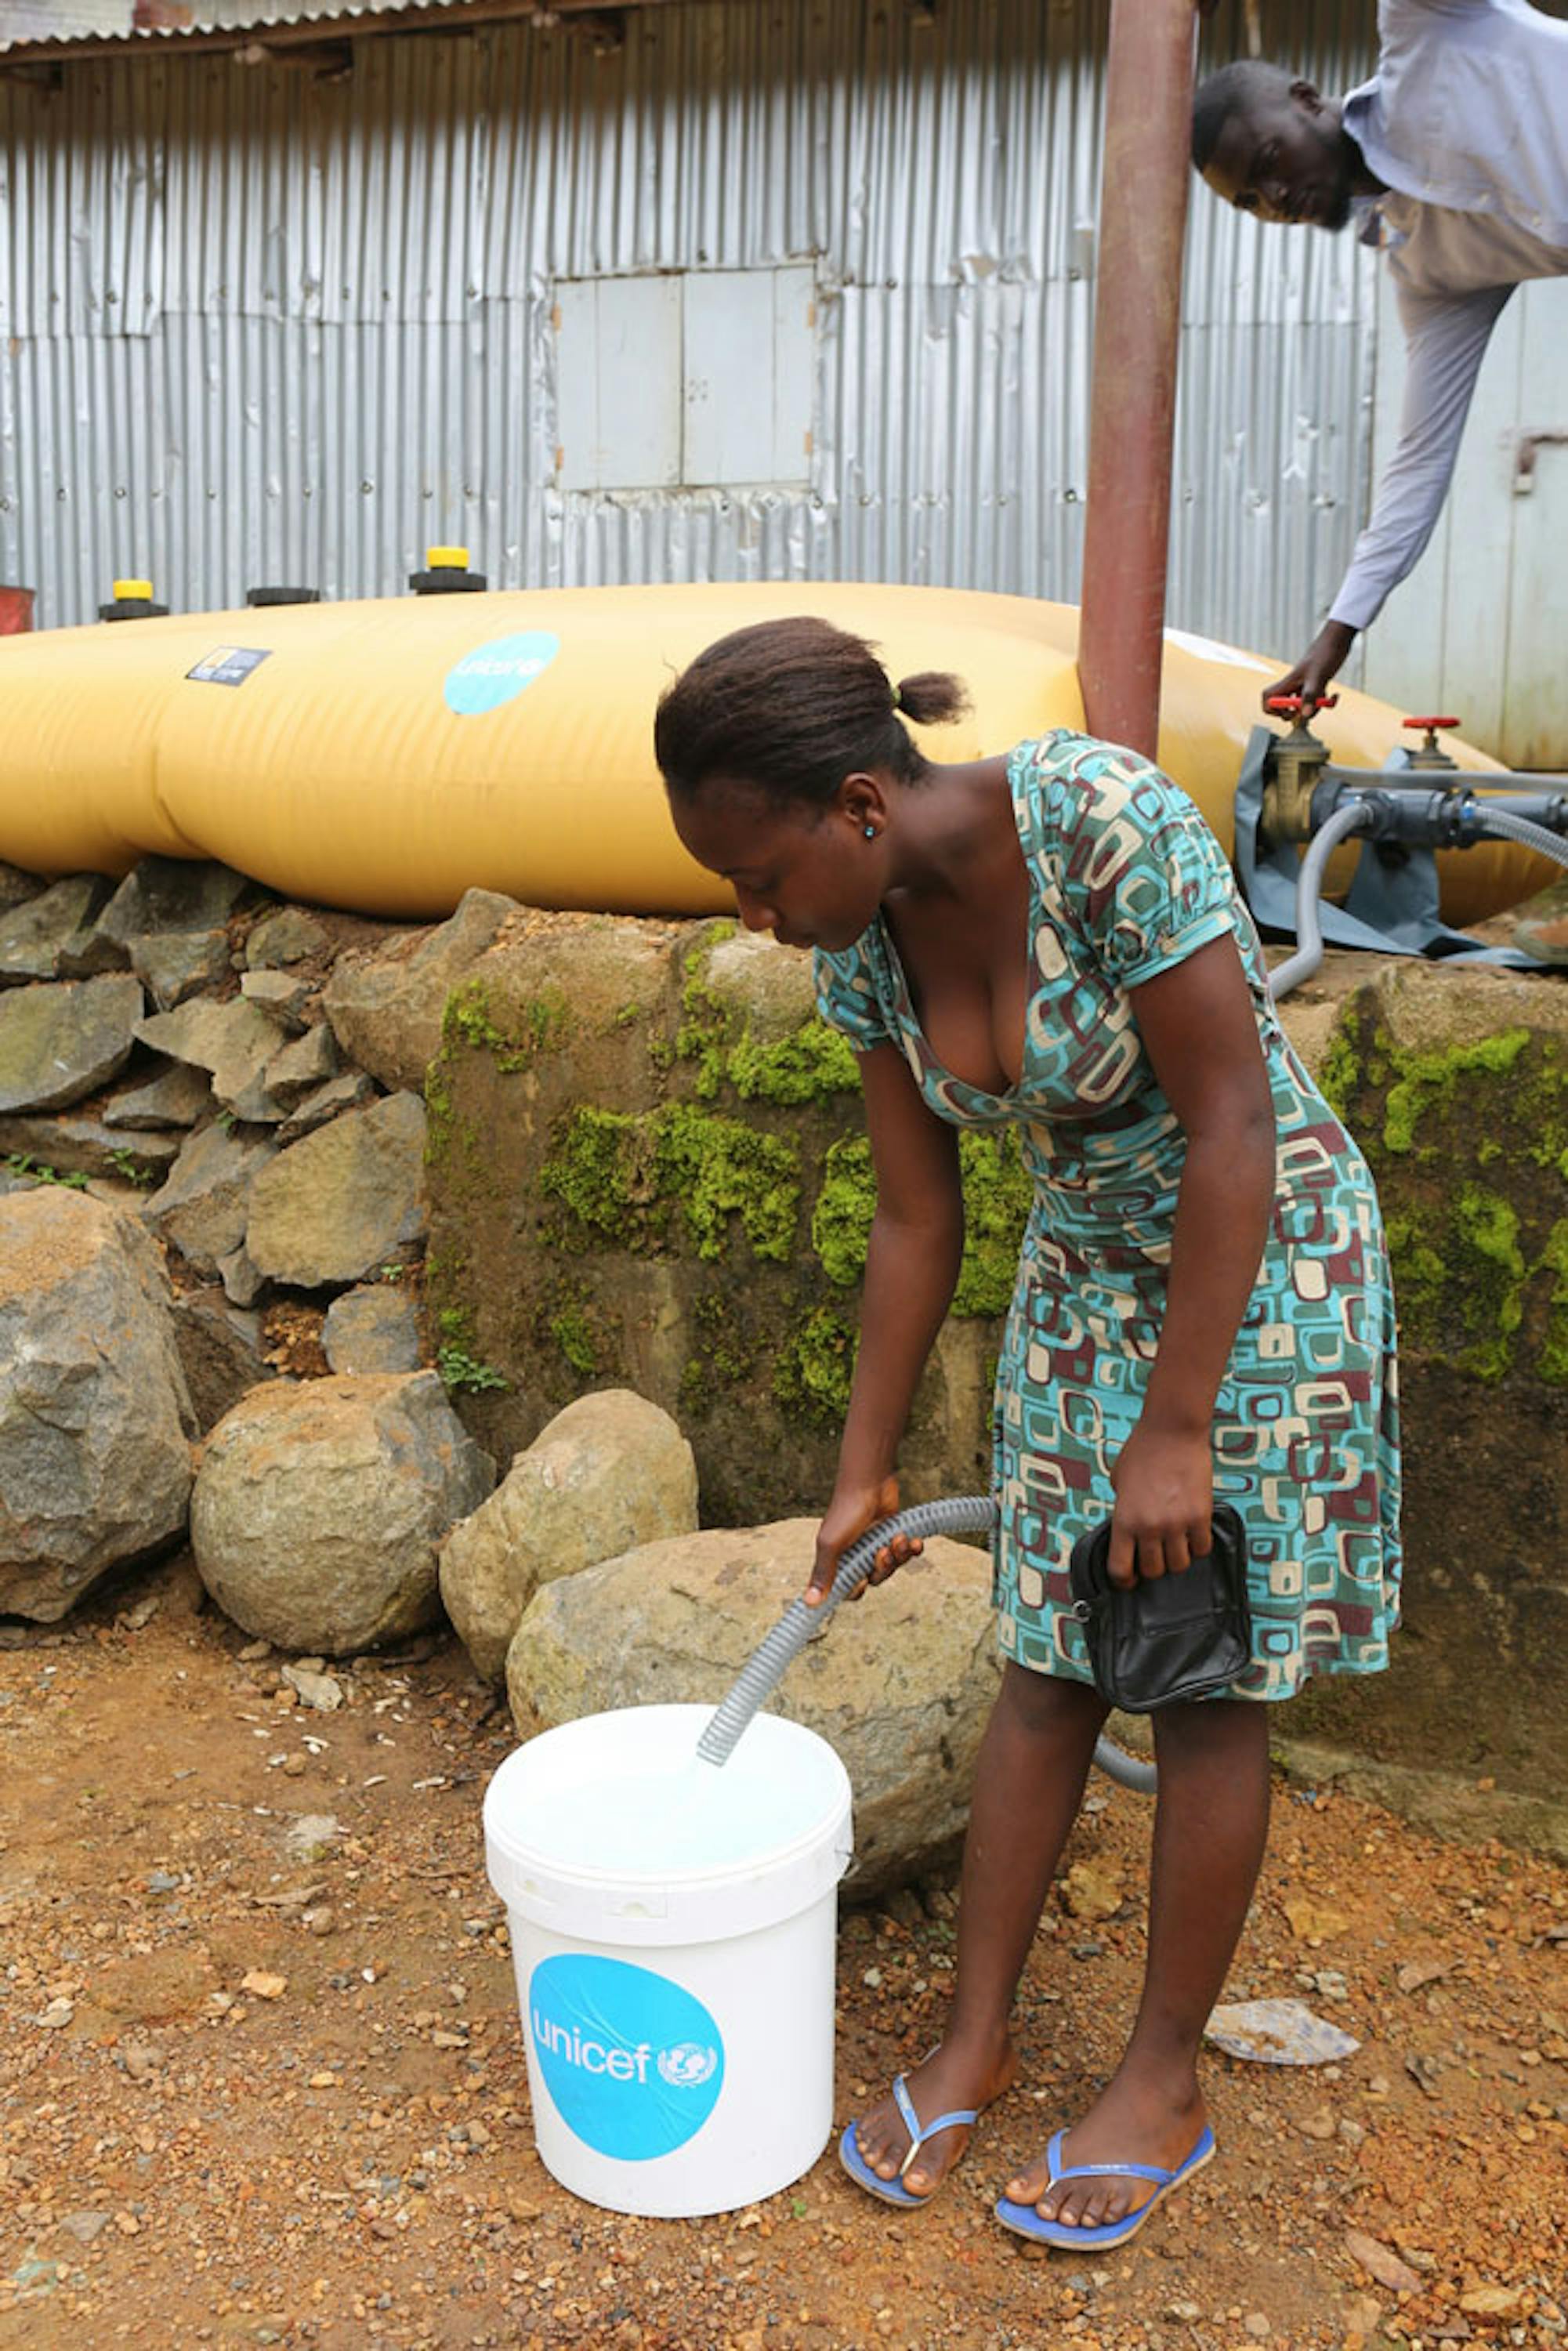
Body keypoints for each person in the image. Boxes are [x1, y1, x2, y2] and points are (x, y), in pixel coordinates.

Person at [653, 615, 1401, 2249]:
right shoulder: (862, 951)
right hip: (1084, 1263)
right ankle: (975, 2037)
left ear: (859, 803)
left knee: (1194, 1670)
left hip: (1259, 1261)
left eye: (761, 874)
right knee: (1046, 1654)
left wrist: (1175, 1431)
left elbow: (1231, 1123)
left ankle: (1159, 2079)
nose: (751, 914)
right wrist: (860, 1468)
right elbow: (916, 1221)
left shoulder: (1099, 822)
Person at [1191, 2, 1568, 712]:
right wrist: (1337, 635)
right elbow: (1418, 464)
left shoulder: (1427, 31)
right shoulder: (1429, 271)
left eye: (1268, 161)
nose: (1275, 198)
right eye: (1250, 201)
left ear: (1306, 100)